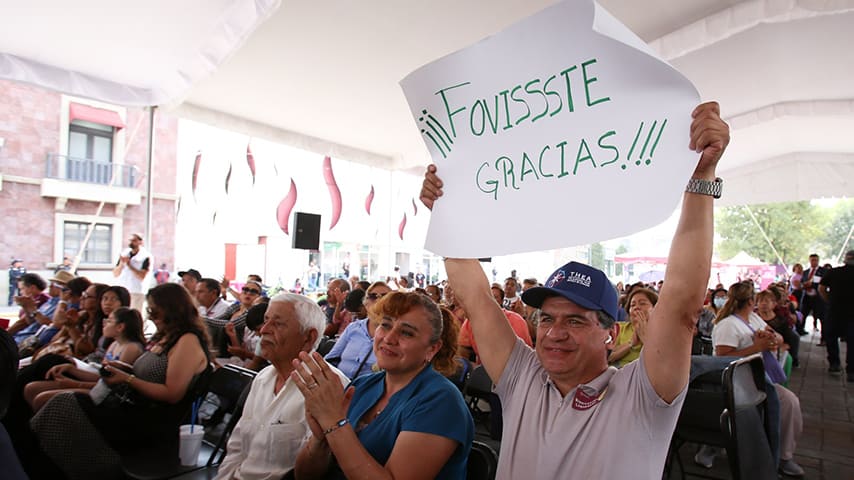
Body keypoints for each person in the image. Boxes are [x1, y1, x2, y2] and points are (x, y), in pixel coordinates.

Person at [420, 101, 728, 477]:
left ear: (610, 333)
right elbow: (477, 298)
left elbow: (682, 299)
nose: (554, 333)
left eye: (577, 321)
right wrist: (446, 214)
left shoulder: (642, 394)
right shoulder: (524, 377)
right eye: (547, 318)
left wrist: (701, 177)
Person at [28, 283, 211, 479]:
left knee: (62, 405)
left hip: (151, 420)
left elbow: (172, 393)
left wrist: (128, 378)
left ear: (173, 311)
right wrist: (125, 371)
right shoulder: (166, 337)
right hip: (132, 406)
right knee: (58, 401)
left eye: (155, 312)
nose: (151, 317)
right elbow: (150, 375)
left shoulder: (187, 341)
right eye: (150, 311)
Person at [293, 292, 474, 479]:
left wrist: (334, 424)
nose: (389, 338)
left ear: (432, 349)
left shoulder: (441, 402)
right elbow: (305, 476)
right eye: (385, 325)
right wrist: (319, 439)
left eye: (406, 332)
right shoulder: (362, 386)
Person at [214, 294, 349, 480]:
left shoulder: (328, 387)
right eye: (265, 321)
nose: (264, 330)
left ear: (308, 338)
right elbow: (237, 448)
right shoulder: (263, 378)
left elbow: (312, 473)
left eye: (278, 324)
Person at [708, 281, 804, 476]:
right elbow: (721, 358)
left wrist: (771, 337)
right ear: (751, 301)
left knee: (788, 403)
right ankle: (782, 457)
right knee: (789, 403)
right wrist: (757, 347)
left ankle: (781, 454)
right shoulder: (728, 325)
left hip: (756, 377)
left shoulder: (752, 319)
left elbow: (775, 335)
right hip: (737, 382)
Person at [23, 307, 146, 412]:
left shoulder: (131, 348)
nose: (104, 323)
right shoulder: (114, 344)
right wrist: (71, 369)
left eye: (109, 321)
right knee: (31, 388)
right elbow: (102, 374)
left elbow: (113, 384)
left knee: (41, 398)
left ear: (120, 327)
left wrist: (74, 383)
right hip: (98, 384)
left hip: (107, 395)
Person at [324, 282, 392, 379]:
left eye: (385, 296)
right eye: (373, 296)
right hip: (340, 384)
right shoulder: (353, 328)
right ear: (365, 303)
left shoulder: (395, 335)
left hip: (370, 390)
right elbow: (330, 359)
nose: (379, 300)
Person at [819, 250, 854, 382]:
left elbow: (821, 289)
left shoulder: (834, 272)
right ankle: (852, 370)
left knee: (831, 337)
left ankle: (834, 364)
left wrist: (828, 300)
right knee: (852, 341)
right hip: (852, 314)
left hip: (835, 310)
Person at [608, 288, 657, 367]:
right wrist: (631, 344)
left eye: (642, 303)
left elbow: (662, 361)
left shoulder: (661, 331)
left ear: (655, 308)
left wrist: (644, 336)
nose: (636, 307)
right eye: (632, 305)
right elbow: (609, 357)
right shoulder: (620, 328)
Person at [112, 233, 152, 312]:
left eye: (134, 240)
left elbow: (142, 276)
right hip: (123, 289)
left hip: (136, 291)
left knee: (135, 312)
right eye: (130, 240)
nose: (131, 242)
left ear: (140, 242)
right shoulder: (124, 254)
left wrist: (130, 265)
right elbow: (115, 274)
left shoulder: (145, 256)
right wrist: (121, 264)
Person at [800, 253, 827, 342]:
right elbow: (801, 282)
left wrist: (813, 284)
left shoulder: (823, 271)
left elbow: (823, 284)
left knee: (821, 317)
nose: (814, 262)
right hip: (807, 298)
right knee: (803, 314)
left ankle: (824, 338)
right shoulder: (805, 272)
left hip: (818, 298)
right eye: (812, 260)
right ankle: (801, 332)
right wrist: (803, 285)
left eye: (815, 260)